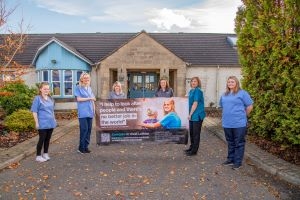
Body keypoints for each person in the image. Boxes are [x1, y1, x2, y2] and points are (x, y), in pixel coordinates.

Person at [219, 76, 253, 170]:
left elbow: (250, 106)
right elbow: (222, 106)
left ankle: (238, 162)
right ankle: (230, 159)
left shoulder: (242, 93)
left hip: (239, 123)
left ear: (236, 83)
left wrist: (243, 115)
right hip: (227, 123)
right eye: (229, 82)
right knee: (230, 142)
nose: (230, 83)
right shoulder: (224, 94)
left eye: (232, 82)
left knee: (239, 143)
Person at [31, 82, 57, 162]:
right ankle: (38, 156)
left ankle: (45, 153)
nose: (46, 90)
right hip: (42, 123)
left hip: (50, 122)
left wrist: (54, 119)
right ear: (40, 89)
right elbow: (34, 111)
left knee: (48, 139)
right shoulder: (37, 99)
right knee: (41, 139)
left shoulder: (50, 99)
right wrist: (36, 122)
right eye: (45, 89)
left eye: (48, 89)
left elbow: (52, 110)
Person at [75, 72, 96, 154]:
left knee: (89, 130)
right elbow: (79, 99)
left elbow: (93, 100)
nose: (86, 79)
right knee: (84, 130)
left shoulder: (89, 88)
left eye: (88, 78)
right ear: (81, 79)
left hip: (90, 112)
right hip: (83, 113)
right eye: (85, 78)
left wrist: (94, 110)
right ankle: (81, 148)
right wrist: (90, 98)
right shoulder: (78, 87)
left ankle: (86, 146)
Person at [184, 77, 206, 156]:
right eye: (192, 81)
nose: (193, 82)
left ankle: (194, 151)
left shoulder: (198, 91)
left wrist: (190, 114)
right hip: (192, 115)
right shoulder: (191, 91)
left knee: (196, 134)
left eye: (195, 81)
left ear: (198, 83)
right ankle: (191, 147)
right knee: (192, 133)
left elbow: (195, 103)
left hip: (197, 115)